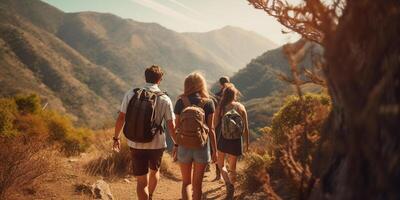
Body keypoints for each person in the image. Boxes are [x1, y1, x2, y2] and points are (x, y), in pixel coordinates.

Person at [113, 65, 176, 200]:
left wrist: (116, 138)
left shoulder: (131, 93)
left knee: (141, 182)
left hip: (135, 143)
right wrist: (177, 144)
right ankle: (151, 196)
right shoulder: (165, 99)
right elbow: (171, 125)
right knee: (155, 171)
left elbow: (121, 117)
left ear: (145, 77)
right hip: (157, 144)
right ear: (160, 80)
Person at [171, 72, 218, 200]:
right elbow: (211, 129)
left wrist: (176, 145)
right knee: (197, 185)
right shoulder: (209, 103)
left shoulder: (180, 102)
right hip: (201, 146)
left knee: (186, 183)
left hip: (184, 145)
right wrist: (215, 151)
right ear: (202, 85)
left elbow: (177, 127)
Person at [215, 83, 249, 199]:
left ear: (225, 95)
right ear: (235, 94)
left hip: (223, 139)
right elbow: (245, 128)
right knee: (233, 168)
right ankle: (232, 190)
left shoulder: (221, 107)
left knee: (221, 164)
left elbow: (214, 125)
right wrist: (246, 144)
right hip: (236, 140)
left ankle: (228, 184)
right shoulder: (241, 107)